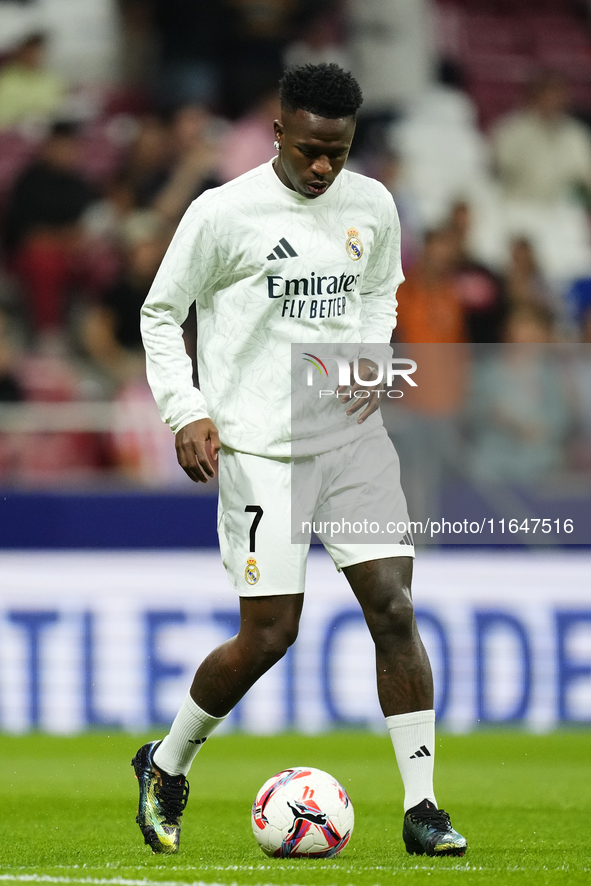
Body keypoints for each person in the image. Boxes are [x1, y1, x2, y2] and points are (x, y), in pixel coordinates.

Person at [137, 63, 467, 859]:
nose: (323, 167)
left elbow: (379, 291)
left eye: (339, 152)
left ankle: (421, 807)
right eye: (311, 149)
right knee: (269, 636)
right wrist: (188, 411)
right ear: (279, 129)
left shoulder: (373, 204)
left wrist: (368, 354)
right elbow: (159, 313)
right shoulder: (224, 212)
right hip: (261, 452)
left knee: (391, 606)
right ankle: (167, 761)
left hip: (351, 441)